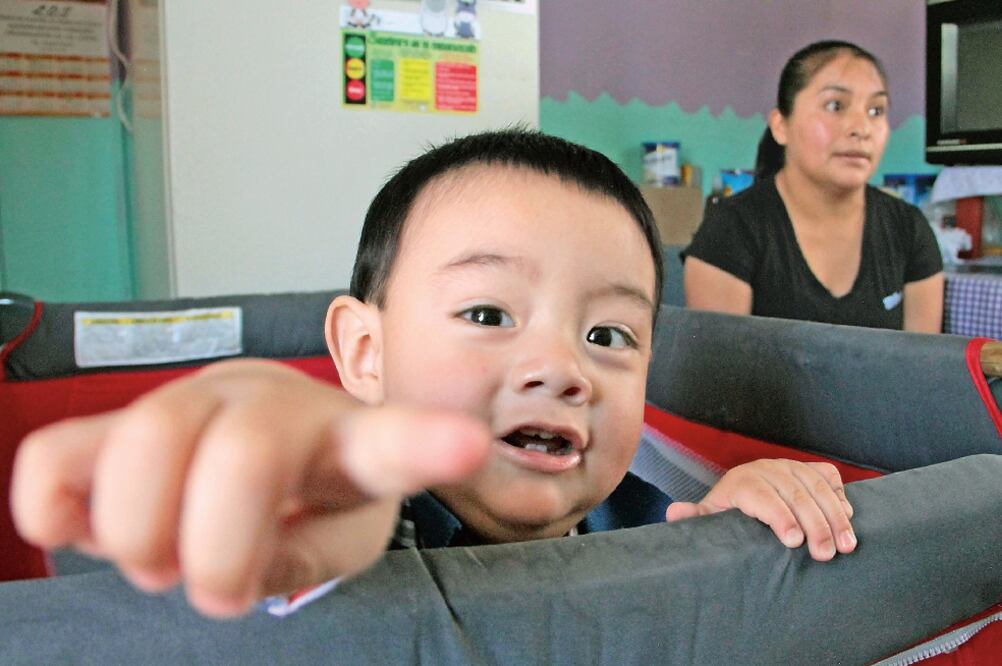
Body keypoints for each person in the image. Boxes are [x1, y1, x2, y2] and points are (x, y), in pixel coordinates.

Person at [11, 129, 857, 619]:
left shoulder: (661, 525)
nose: (562, 368)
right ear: (364, 354)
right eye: (489, 315)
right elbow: (310, 545)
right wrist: (273, 480)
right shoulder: (346, 520)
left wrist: (742, 529)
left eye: (608, 333)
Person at [684, 41, 944, 332]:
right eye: (835, 106)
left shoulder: (909, 229)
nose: (861, 128)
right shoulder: (732, 229)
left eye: (876, 110)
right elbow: (722, 371)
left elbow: (922, 367)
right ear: (781, 125)